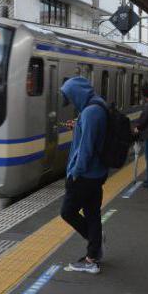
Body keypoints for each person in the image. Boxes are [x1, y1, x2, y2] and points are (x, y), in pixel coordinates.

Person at [59, 77, 108, 274]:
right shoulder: (97, 105)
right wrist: (78, 125)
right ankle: (92, 254)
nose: (70, 101)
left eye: (70, 97)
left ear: (77, 94)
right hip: (97, 173)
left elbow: (86, 149)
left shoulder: (90, 113)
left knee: (67, 212)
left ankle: (94, 247)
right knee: (92, 213)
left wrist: (75, 173)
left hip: (85, 175)